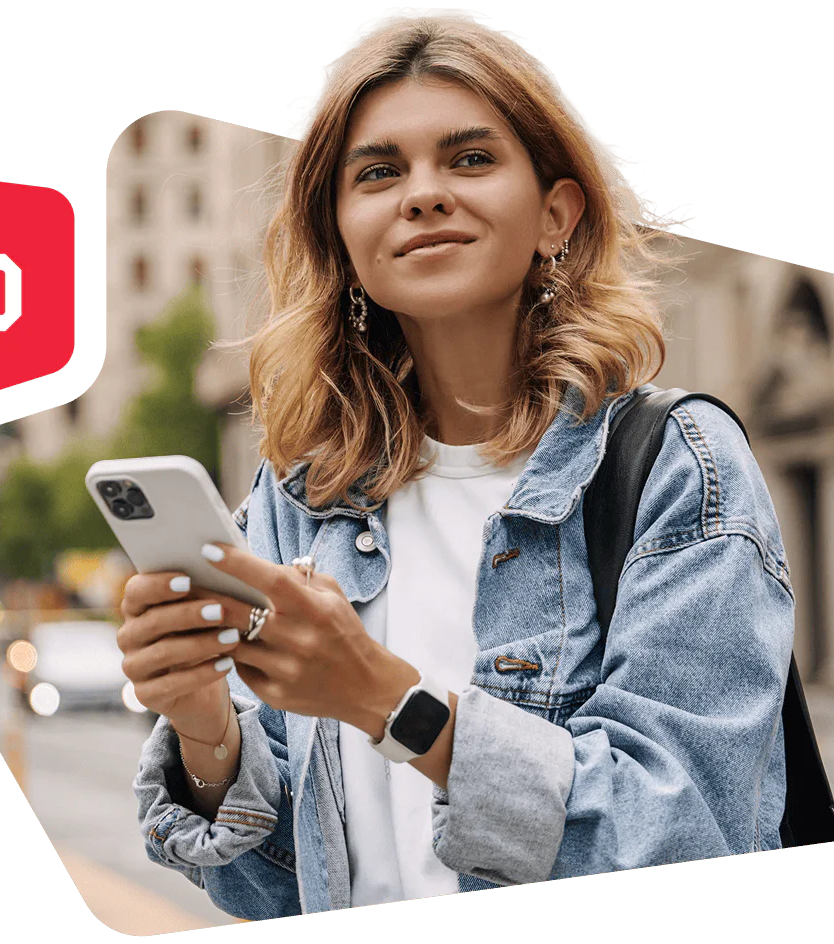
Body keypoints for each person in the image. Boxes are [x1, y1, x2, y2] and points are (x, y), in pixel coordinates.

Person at [124, 10, 795, 922]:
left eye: (471, 159)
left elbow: (680, 835)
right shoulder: (301, 501)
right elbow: (276, 890)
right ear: (346, 240)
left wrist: (384, 697)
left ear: (556, 214)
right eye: (379, 172)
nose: (424, 194)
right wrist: (207, 730)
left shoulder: (675, 466)